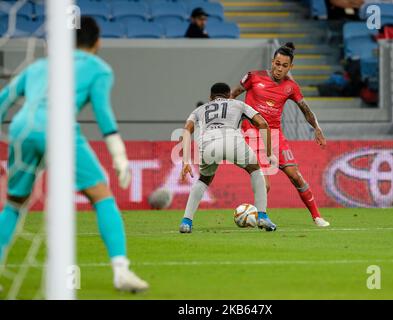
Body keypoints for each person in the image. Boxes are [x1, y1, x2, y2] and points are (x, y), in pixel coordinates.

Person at [0, 16, 148, 292]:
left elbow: (3, 100)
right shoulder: (98, 68)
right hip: (58, 128)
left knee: (14, 204)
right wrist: (119, 154)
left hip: (21, 128)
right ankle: (121, 271)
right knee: (101, 195)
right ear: (97, 41)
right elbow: (103, 114)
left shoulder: (40, 66)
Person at [231, 42, 331, 228]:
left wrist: (317, 128)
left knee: (295, 175)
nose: (279, 69)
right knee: (264, 183)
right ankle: (262, 217)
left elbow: (305, 109)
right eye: (277, 63)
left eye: (284, 66)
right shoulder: (254, 76)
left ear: (290, 67)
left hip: (275, 135)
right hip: (252, 132)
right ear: (272, 61)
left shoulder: (291, 87)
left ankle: (317, 217)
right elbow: (233, 95)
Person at [179, 83, 277, 233]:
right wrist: (269, 153)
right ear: (229, 95)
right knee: (255, 170)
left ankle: (186, 222)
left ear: (210, 97)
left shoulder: (199, 110)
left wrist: (186, 161)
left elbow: (186, 130)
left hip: (208, 145)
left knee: (204, 180)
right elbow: (262, 123)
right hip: (233, 142)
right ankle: (262, 216)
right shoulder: (238, 104)